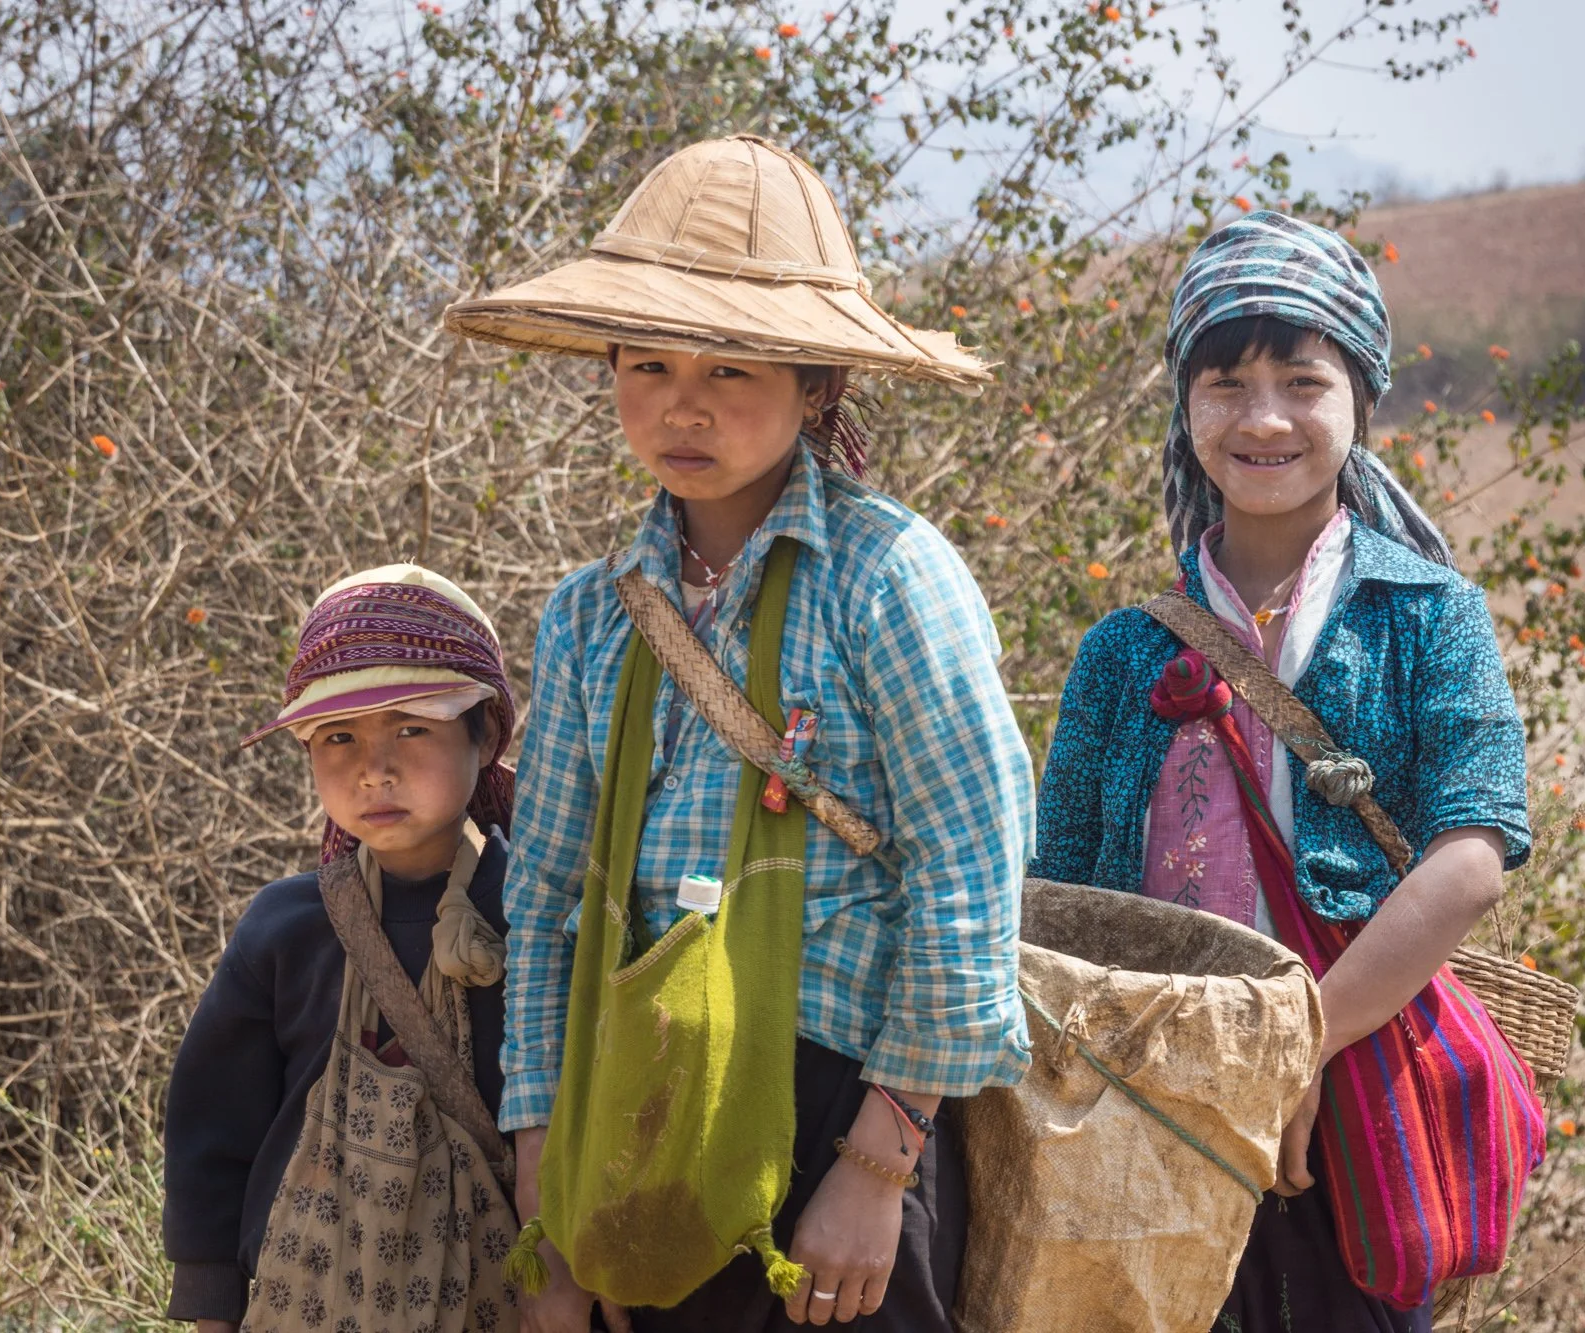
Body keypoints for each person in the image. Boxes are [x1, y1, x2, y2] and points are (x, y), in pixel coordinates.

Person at [440, 135, 1032, 1332]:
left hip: (835, 1111)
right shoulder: (592, 613)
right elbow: (547, 893)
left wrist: (874, 1170)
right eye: (649, 363)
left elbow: (968, 874)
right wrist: (544, 1160)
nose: (683, 404)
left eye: (731, 368)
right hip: (634, 1109)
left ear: (817, 386)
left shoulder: (886, 577)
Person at [1028, 211, 1533, 1332]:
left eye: (1302, 382)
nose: (1263, 418)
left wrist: (1298, 1051)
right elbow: (1055, 899)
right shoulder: (1123, 651)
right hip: (1146, 1119)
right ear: (1185, 407)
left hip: (1349, 1109)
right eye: (1225, 385)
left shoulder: (1427, 616)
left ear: (1361, 400)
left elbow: (1470, 858)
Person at [161, 564, 519, 1331]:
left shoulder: (542, 916)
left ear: (486, 732)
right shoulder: (285, 929)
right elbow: (211, 1128)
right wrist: (211, 1307)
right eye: (338, 736)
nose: (373, 770)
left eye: (412, 728)